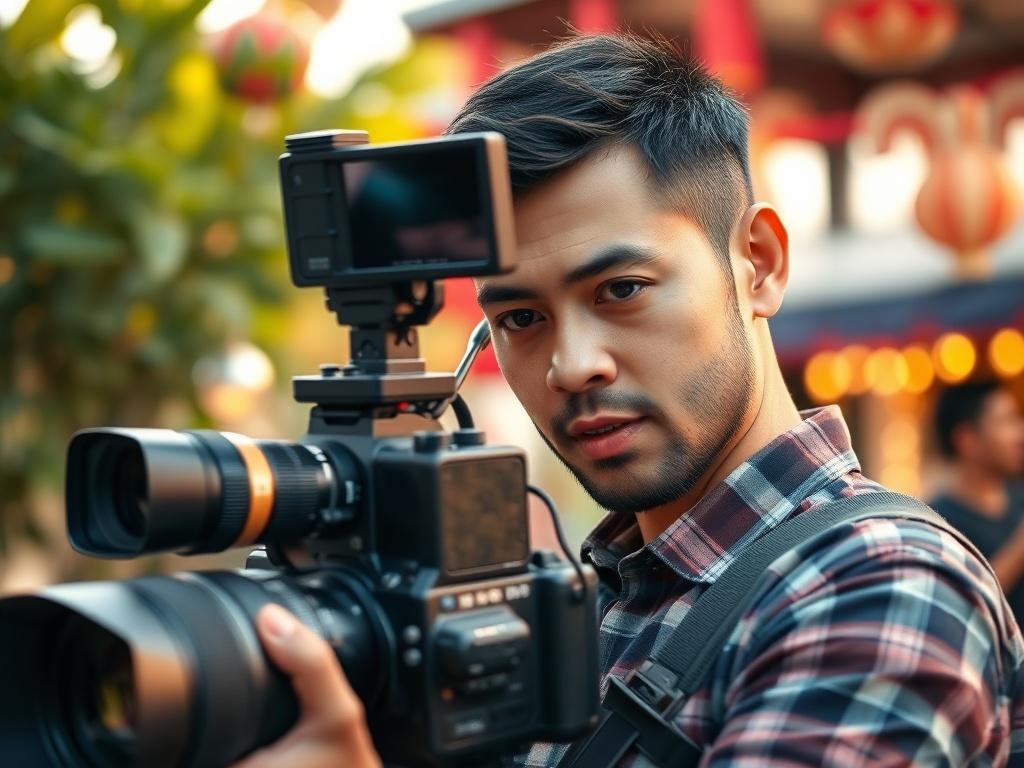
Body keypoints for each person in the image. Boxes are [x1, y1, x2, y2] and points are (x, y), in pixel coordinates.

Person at [233, 34, 1024, 767]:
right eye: (519, 318)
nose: (571, 367)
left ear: (759, 263)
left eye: (621, 289)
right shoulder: (590, 594)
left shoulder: (878, 586)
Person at [929, 381, 1024, 626]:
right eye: (1005, 421)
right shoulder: (938, 521)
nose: (1020, 434)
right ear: (967, 440)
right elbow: (960, 607)